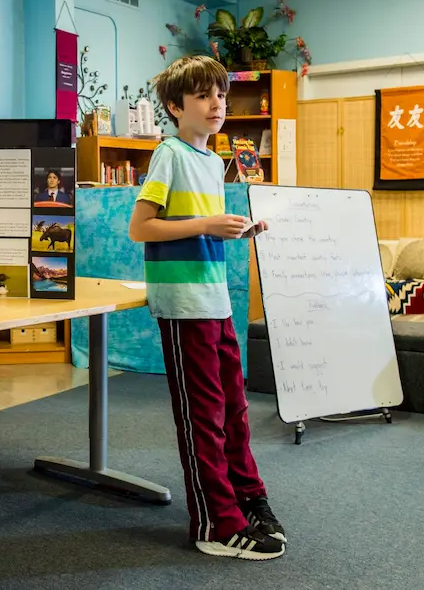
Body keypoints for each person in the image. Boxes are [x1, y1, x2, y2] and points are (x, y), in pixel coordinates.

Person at [128, 55, 285, 561]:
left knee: (234, 411)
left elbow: (203, 228)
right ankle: (215, 524)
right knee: (203, 416)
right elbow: (142, 227)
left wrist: (236, 230)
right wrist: (205, 225)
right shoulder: (169, 155)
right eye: (203, 96)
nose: (217, 103)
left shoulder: (213, 162)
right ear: (176, 107)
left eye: (221, 94)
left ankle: (247, 499)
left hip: (215, 299)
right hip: (183, 304)